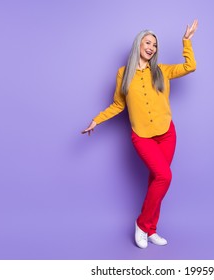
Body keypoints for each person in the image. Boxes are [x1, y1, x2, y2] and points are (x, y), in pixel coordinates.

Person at [81, 19, 198, 249]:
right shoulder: (123, 73)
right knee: (164, 177)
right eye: (147, 42)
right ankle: (142, 224)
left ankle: (151, 229)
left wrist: (186, 42)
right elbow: (117, 104)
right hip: (142, 136)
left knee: (158, 180)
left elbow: (189, 66)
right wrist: (97, 119)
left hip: (166, 133)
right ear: (138, 45)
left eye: (154, 45)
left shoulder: (162, 71)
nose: (151, 47)